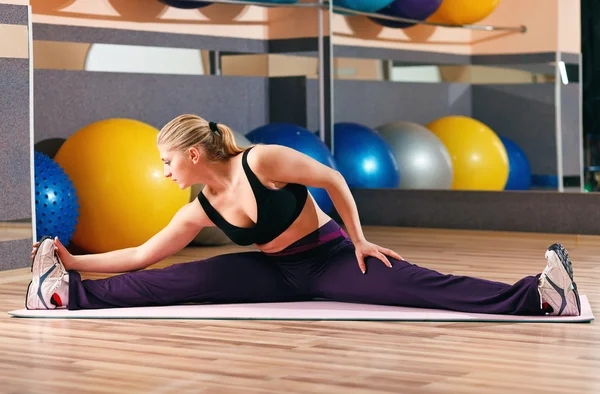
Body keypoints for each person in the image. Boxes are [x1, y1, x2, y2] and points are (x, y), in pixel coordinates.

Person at [25, 114, 581, 316]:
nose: (164, 171)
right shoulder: (200, 208)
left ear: (193, 154)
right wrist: (73, 259)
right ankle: (64, 293)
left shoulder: (261, 160)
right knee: (173, 279)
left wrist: (360, 241)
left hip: (329, 258)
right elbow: (143, 255)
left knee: (422, 285)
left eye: (167, 161)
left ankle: (539, 296)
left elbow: (334, 178)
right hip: (274, 271)